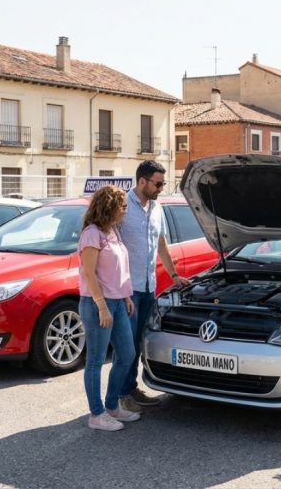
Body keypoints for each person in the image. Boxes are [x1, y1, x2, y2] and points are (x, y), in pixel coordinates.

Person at [117, 161, 189, 412]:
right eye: (158, 184)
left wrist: (173, 275)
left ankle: (131, 388)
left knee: (138, 343)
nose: (161, 188)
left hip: (149, 286)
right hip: (127, 289)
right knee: (124, 347)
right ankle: (120, 396)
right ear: (142, 181)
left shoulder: (157, 208)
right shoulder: (122, 207)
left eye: (163, 184)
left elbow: (161, 245)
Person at [79, 185, 140, 431]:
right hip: (97, 305)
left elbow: (118, 269)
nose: (125, 211)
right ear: (109, 207)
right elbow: (89, 273)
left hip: (117, 302)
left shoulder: (113, 231)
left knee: (126, 354)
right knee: (95, 360)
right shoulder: (92, 234)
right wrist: (102, 306)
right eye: (123, 206)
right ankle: (96, 414)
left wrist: (126, 296)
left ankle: (112, 405)